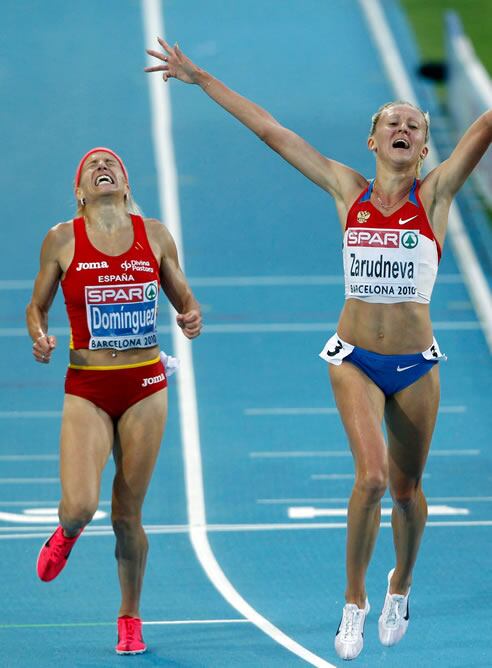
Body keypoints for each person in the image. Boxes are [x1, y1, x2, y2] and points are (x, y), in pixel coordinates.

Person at [145, 38, 492, 661]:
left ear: (424, 145)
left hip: (416, 367)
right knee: (372, 478)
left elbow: (488, 122)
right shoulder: (345, 189)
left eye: (415, 124)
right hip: (354, 358)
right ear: (373, 141)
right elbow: (273, 132)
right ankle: (353, 601)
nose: (405, 128)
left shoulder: (434, 197)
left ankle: (399, 584)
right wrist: (202, 80)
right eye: (393, 122)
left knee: (408, 492)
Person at [26, 147, 202, 655]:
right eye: (91, 167)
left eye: (113, 166)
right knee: (81, 505)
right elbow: (35, 307)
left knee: (127, 515)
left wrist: (190, 317)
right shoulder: (61, 239)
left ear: (126, 186)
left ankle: (129, 616)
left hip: (145, 385)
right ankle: (67, 532)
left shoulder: (155, 235)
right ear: (79, 192)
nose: (103, 168)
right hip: (88, 388)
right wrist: (39, 336)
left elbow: (184, 299)